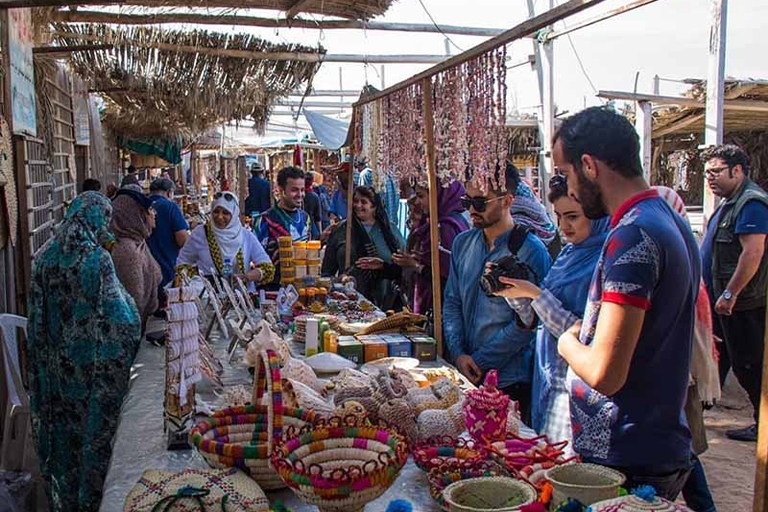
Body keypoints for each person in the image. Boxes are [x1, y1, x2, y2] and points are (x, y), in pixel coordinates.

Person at [553, 107, 700, 500]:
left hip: (626, 457)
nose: (568, 189)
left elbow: (605, 372)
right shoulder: (667, 219)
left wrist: (566, 342)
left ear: (588, 166)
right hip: (645, 446)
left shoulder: (633, 234)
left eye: (567, 174)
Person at [26, 192, 141, 512]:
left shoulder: (46, 255)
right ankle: (90, 502)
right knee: (92, 439)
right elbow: (123, 319)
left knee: (64, 440)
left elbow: (35, 316)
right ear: (95, 220)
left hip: (55, 372)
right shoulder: (96, 259)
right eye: (104, 219)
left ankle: (62, 502)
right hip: (91, 372)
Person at [493, 173, 609, 452]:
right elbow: (537, 319)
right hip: (547, 376)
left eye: (572, 217)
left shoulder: (604, 263)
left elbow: (584, 333)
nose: (563, 226)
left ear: (596, 214)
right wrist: (515, 293)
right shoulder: (570, 255)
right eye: (558, 216)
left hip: (575, 387)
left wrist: (535, 294)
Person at [443, 162, 552, 423]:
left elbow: (530, 324)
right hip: (463, 369)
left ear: (507, 201)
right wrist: (458, 354)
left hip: (508, 380)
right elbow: (452, 302)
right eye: (466, 201)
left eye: (480, 203)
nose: (471, 210)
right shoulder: (463, 243)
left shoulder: (532, 251)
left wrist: (479, 360)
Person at [656, 186, 720, 512]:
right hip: (681, 370)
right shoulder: (682, 250)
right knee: (684, 448)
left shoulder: (674, 253)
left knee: (684, 450)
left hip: (681, 373)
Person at [700, 144, 768, 442]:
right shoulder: (730, 203)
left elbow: (752, 253)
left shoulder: (751, 203)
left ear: (737, 170)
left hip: (743, 304)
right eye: (707, 173)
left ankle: (762, 424)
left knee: (749, 364)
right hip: (723, 304)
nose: (710, 179)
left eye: (716, 172)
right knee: (718, 360)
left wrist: (730, 294)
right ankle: (694, 415)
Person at [322, 186, 405, 311]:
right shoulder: (341, 230)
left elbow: (403, 268)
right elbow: (326, 273)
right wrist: (339, 280)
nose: (358, 205)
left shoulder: (389, 232)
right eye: (355, 201)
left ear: (374, 206)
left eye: (364, 202)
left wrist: (382, 265)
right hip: (349, 304)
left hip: (385, 304)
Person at [392, 181, 469, 316]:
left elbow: (446, 276)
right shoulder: (437, 223)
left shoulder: (444, 227)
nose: (419, 202)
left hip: (442, 308)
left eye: (421, 196)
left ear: (438, 195)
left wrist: (415, 265)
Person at [177, 191, 273, 288]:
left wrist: (246, 277)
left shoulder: (246, 236)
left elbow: (267, 268)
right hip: (208, 299)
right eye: (216, 211)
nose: (219, 216)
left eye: (226, 213)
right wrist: (200, 278)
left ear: (234, 213)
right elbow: (182, 264)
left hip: (243, 298)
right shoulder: (200, 234)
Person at [110, 188, 162, 334]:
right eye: (150, 210)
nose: (153, 214)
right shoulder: (128, 251)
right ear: (136, 215)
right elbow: (135, 302)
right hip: (133, 333)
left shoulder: (139, 243)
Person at [254, 166, 313, 287]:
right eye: (294, 190)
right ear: (281, 190)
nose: (300, 194)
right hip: (273, 289)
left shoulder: (305, 218)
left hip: (301, 288)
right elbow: (255, 259)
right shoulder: (264, 221)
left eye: (302, 190)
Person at [147, 178, 189, 310]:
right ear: (170, 192)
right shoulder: (170, 207)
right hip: (166, 269)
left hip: (144, 270)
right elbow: (182, 240)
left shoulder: (142, 205)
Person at [358, 157, 401, 228]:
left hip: (375, 225)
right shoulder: (393, 174)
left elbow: (363, 201)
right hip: (389, 224)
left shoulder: (366, 174)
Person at [303, 172, 323, 239]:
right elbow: (318, 218)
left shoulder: (299, 195)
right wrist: (320, 233)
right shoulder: (314, 196)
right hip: (312, 229)